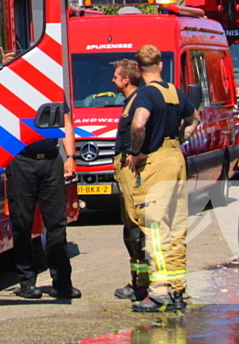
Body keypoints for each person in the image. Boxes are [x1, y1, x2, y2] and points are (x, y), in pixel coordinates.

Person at [126, 44, 200, 312]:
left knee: (155, 228)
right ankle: (178, 290)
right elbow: (194, 119)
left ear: (137, 68)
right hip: (177, 159)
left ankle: (158, 292)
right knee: (177, 227)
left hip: (155, 161)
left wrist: (137, 152)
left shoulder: (146, 94)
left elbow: (138, 124)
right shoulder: (174, 92)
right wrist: (181, 139)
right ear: (160, 65)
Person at [6, 103, 81, 300]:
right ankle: (27, 283)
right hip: (21, 160)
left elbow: (66, 123)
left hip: (51, 161)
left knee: (57, 224)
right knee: (22, 223)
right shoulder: (13, 86)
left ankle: (62, 284)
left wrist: (71, 157)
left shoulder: (51, 84)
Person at [110, 58, 149, 302]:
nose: (112, 80)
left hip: (130, 167)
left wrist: (136, 154)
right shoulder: (132, 102)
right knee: (129, 227)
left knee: (136, 228)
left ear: (126, 79)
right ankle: (138, 280)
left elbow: (140, 130)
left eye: (115, 76)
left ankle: (143, 284)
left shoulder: (138, 101)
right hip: (124, 165)